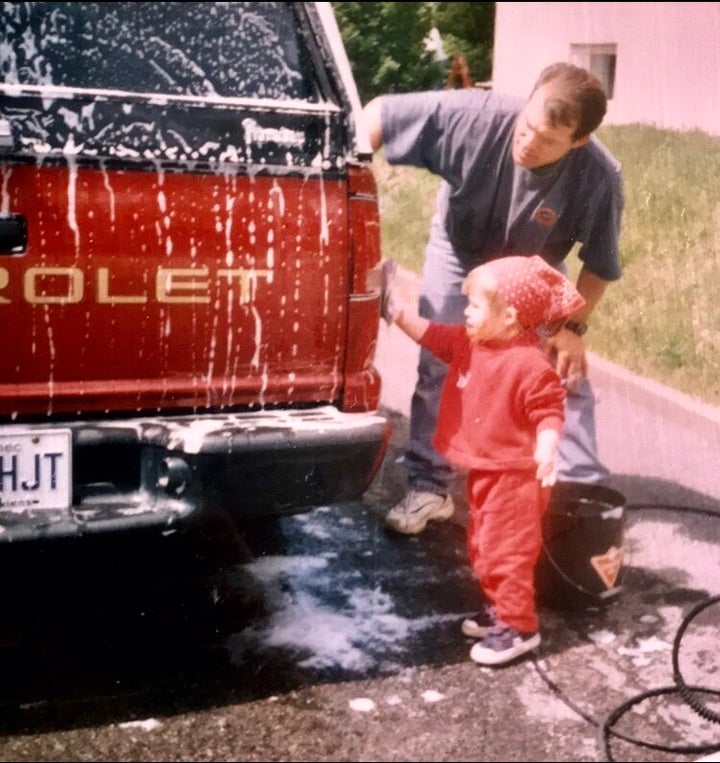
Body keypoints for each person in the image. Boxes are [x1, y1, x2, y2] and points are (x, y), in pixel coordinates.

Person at [363, 62, 624, 535]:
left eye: (547, 140)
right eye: (526, 127)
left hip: (533, 266)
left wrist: (571, 328)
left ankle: (573, 499)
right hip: (460, 248)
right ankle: (429, 486)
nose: (527, 143)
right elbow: (378, 114)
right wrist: (343, 184)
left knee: (556, 368)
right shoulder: (474, 116)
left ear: (577, 142)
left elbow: (601, 264)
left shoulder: (599, 176)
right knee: (442, 359)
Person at [381, 254, 586, 665]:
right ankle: (502, 610)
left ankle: (521, 627)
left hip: (515, 478)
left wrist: (546, 447)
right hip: (487, 471)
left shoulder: (529, 365)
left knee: (506, 551)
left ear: (509, 318)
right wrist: (397, 313)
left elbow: (549, 410)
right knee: (482, 544)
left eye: (474, 306)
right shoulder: (470, 343)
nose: (466, 313)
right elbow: (432, 334)